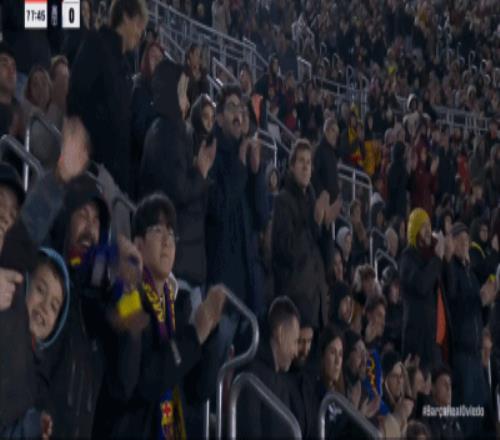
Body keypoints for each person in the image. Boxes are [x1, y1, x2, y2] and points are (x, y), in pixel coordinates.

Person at [103, 193, 226, 438]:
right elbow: (143, 381)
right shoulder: (127, 298)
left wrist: (211, 333)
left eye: (172, 234)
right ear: (138, 245)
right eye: (158, 231)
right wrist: (194, 335)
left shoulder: (178, 306)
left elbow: (197, 390)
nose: (168, 241)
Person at [140, 59, 216, 320]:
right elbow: (179, 190)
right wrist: (201, 171)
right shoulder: (170, 132)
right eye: (182, 92)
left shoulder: (161, 128)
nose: (186, 100)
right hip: (175, 259)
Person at [206, 84, 268, 362]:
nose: (239, 115)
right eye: (231, 107)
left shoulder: (245, 158)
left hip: (248, 288)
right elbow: (219, 208)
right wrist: (241, 166)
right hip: (223, 285)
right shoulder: (211, 153)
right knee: (215, 366)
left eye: (242, 109)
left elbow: (261, 217)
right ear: (219, 118)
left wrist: (257, 173)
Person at [67, 0, 148, 195]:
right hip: (93, 171)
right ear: (126, 17)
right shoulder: (96, 44)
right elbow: (76, 99)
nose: (140, 34)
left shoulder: (124, 66)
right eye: (139, 24)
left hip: (116, 177)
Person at [443, 222, 495, 438]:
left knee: (481, 411)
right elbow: (454, 304)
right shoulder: (452, 271)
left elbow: (478, 312)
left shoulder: (471, 274)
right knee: (466, 415)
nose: (466, 245)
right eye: (461, 241)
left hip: (476, 355)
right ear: (453, 243)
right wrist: (478, 300)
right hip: (461, 355)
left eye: (467, 241)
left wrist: (487, 302)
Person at [272, 139, 330, 329]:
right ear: (292, 167)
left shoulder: (313, 202)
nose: (306, 167)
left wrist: (326, 226)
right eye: (301, 161)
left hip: (316, 304)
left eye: (309, 162)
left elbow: (322, 257)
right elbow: (286, 250)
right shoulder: (282, 201)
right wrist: (312, 221)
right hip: (296, 304)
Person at [238, 296, 300, 438]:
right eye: (295, 341)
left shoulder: (280, 377)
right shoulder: (251, 377)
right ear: (280, 333)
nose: (296, 352)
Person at [399, 208, 452, 370]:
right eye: (423, 226)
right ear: (414, 230)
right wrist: (437, 258)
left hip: (434, 343)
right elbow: (422, 284)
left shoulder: (431, 258)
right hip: (417, 345)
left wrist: (446, 258)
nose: (428, 230)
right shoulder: (407, 257)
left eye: (429, 225)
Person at [131, 41, 165, 173]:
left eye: (160, 59)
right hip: (140, 163)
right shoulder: (139, 86)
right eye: (153, 57)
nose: (157, 62)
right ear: (145, 60)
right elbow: (139, 131)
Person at [421, 365, 463, 439]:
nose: (448, 388)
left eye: (449, 384)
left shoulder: (453, 418)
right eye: (444, 384)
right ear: (433, 388)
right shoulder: (428, 417)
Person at [312, 117, 340, 203]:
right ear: (326, 131)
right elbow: (314, 175)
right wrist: (322, 193)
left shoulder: (332, 153)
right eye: (333, 130)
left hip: (332, 201)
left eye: (337, 133)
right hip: (323, 201)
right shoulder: (319, 150)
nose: (335, 135)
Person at [185, 44, 209, 108]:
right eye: (197, 55)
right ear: (190, 55)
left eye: (200, 56)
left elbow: (206, 92)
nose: (199, 58)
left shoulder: (202, 74)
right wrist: (194, 79)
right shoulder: (183, 72)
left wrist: (203, 75)